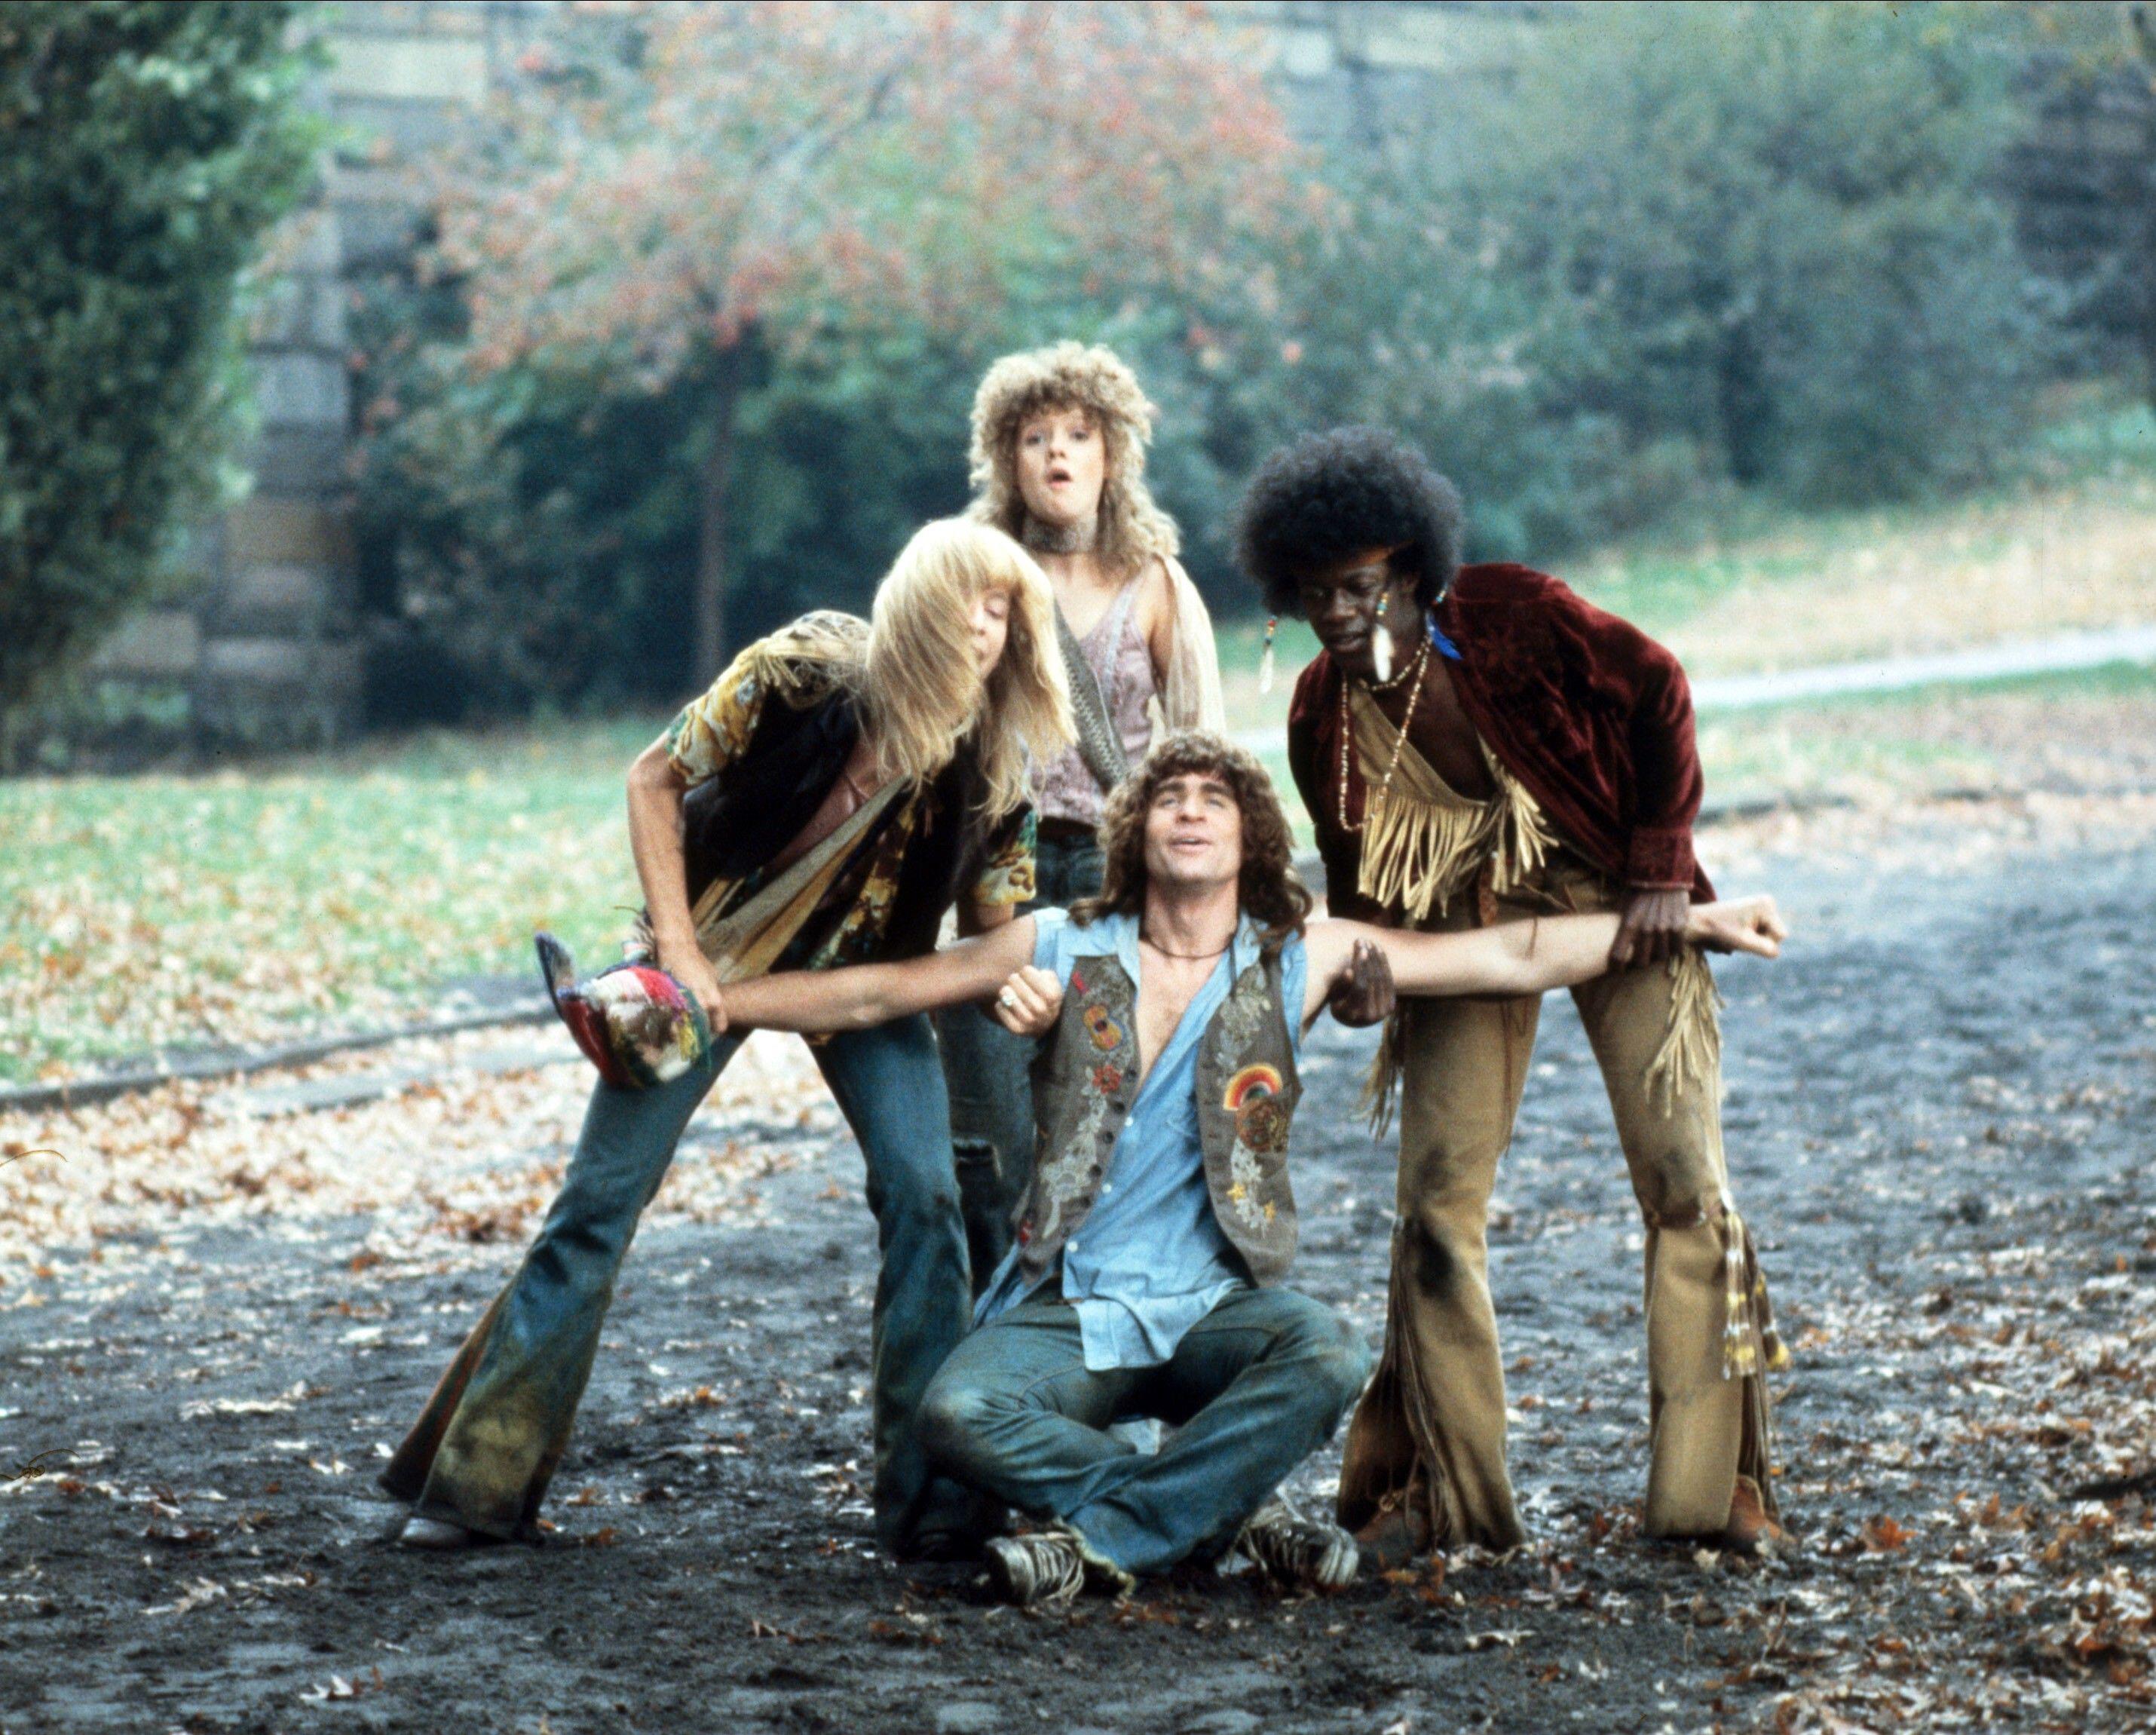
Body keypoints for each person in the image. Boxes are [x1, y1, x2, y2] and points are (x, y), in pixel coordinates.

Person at [712, 733, 1786, 1602]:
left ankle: (1102, 1538)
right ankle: (1212, 1519)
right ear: (1137, 828)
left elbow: (1510, 955)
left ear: (1249, 835)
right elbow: (877, 992)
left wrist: (1694, 918)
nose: (1188, 808)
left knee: (1325, 1354)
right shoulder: (1060, 944)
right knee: (956, 1415)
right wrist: (719, 998)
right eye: (1169, 793)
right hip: (1071, 1302)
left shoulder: (1299, 955)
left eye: (1213, 799)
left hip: (1215, 1309)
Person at [381, 519, 1074, 1560]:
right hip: (707, 946)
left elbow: (991, 954)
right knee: (597, 1205)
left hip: (856, 984)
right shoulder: (804, 673)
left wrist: (962, 991)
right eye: (970, 599)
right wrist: (681, 953)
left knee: (927, 1197)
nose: (988, 625)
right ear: (919, 605)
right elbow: (653, 776)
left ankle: (936, 1507)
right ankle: (476, 1485)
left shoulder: (995, 768)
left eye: (1006, 608)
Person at [1234, 427, 1792, 1561]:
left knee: (1687, 1184)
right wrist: (1365, 991)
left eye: (1358, 588)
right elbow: (1354, 902)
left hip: (1618, 896)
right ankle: (1442, 1490)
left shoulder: (1513, 615)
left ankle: (1718, 1489)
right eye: (1311, 597)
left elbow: (1659, 690)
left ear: (1410, 566)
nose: (1337, 616)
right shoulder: (1317, 719)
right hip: (1459, 931)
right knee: (1435, 1202)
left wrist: (1656, 867)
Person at [939, 341, 1232, 1293]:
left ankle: (1114, 1381)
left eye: (1078, 434)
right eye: (1034, 437)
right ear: (1005, 458)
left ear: (1112, 455)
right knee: (988, 1149)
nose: (1058, 453)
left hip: (1118, 880)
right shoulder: (973, 578)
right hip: (997, 873)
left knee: (1114, 1135)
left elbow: (1203, 752)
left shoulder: (1156, 581)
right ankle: (991, 1358)